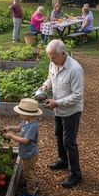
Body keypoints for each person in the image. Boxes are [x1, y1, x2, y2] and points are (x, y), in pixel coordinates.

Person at [39, 40, 84, 188]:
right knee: (59, 135)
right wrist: (46, 85)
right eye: (50, 57)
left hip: (71, 111)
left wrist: (57, 103)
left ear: (64, 53)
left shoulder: (75, 69)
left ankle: (76, 174)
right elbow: (51, 78)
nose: (51, 60)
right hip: (58, 108)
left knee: (69, 142)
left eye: (53, 57)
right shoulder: (54, 62)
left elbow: (77, 96)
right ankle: (63, 160)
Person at [3, 98, 42, 196]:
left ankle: (32, 193)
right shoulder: (26, 121)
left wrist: (11, 136)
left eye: (21, 113)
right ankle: (33, 183)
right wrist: (10, 128)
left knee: (28, 174)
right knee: (29, 172)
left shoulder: (33, 126)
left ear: (28, 115)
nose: (20, 115)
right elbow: (19, 128)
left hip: (30, 155)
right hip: (27, 153)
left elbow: (26, 141)